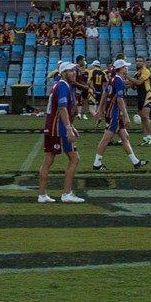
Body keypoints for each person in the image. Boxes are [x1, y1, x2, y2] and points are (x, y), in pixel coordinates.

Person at [37, 62, 86, 203]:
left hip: (52, 127)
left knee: (48, 160)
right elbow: (62, 108)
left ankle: (42, 195)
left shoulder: (59, 85)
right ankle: (66, 194)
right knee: (74, 159)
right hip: (58, 129)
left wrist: (71, 126)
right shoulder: (63, 86)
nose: (74, 73)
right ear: (64, 72)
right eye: (71, 71)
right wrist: (69, 128)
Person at [92, 58, 148, 171]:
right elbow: (120, 100)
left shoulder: (112, 79)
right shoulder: (118, 81)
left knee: (124, 137)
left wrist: (99, 109)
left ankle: (135, 162)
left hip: (112, 112)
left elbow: (105, 93)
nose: (127, 69)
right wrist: (126, 116)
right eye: (125, 67)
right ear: (121, 69)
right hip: (114, 114)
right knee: (106, 138)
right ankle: (97, 163)